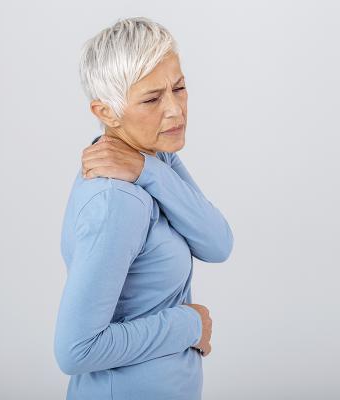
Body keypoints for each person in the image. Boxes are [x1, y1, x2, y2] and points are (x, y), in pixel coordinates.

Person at [54, 16, 234, 399]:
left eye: (179, 88)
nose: (175, 111)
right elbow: (75, 350)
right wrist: (189, 324)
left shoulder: (154, 161)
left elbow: (218, 244)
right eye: (152, 99)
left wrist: (149, 170)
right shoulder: (116, 201)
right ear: (106, 113)